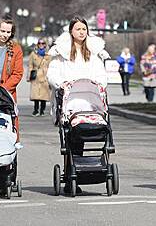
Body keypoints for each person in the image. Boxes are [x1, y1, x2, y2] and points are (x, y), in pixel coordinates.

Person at [47, 16, 109, 194]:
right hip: (70, 101)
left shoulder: (94, 53)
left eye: (84, 29)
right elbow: (53, 74)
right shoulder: (62, 53)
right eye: (78, 29)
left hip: (90, 102)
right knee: (72, 140)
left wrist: (99, 84)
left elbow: (101, 74)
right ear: (71, 32)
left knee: (85, 135)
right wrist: (62, 84)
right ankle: (71, 174)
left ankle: (86, 170)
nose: (81, 32)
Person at [28, 38, 51, 116]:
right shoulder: (33, 54)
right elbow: (30, 65)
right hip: (36, 76)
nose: (41, 45)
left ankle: (42, 110)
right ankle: (36, 110)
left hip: (45, 76)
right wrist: (29, 75)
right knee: (36, 95)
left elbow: (51, 66)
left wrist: (50, 76)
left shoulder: (49, 54)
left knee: (43, 96)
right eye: (39, 43)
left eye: (43, 43)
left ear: (45, 44)